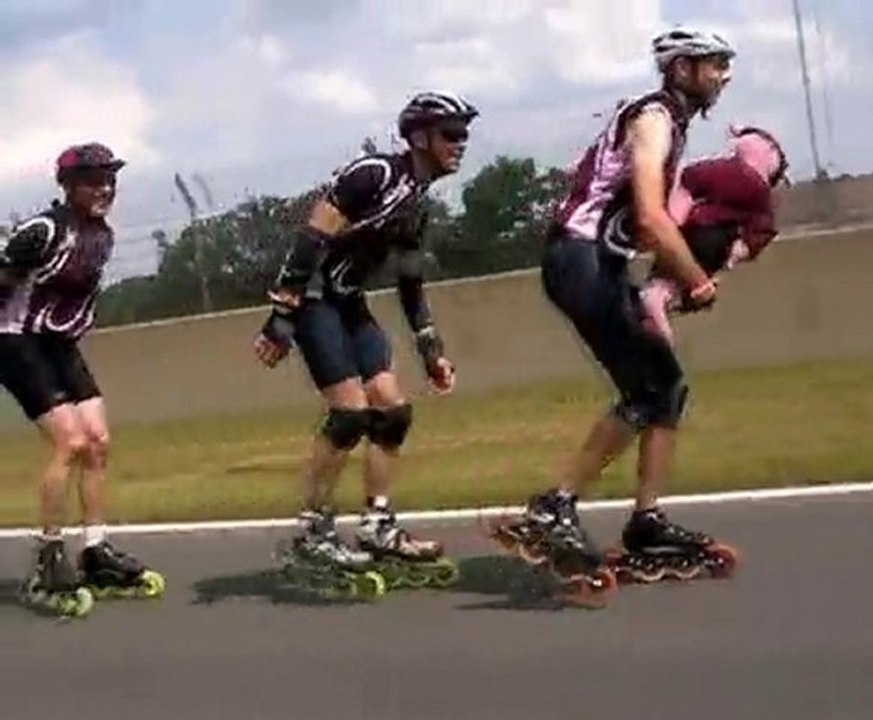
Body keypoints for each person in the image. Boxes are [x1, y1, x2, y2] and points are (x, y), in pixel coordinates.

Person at [493, 27, 738, 583]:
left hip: (597, 262)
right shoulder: (653, 119)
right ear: (680, 69)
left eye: (725, 64)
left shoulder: (669, 122)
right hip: (580, 260)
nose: (724, 74)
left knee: (667, 386)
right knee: (647, 387)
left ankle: (646, 520)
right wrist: (696, 281)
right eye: (714, 63)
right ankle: (553, 506)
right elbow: (651, 218)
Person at [253, 91, 477, 586]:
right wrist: (282, 316)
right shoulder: (374, 174)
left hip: (348, 303)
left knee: (392, 410)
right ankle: (313, 531)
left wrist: (432, 351)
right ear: (419, 137)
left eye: (464, 134)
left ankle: (377, 525)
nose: (461, 144)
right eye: (451, 134)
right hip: (313, 299)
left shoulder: (416, 206)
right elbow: (312, 237)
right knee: (351, 413)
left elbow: (411, 284)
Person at [1, 143, 161, 614]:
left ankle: (95, 550)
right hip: (14, 340)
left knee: (97, 441)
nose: (105, 187)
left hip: (58, 343)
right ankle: (49, 558)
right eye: (93, 179)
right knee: (68, 442)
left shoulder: (102, 235)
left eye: (109, 178)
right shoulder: (45, 229)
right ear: (68, 186)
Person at [639, 123, 790, 347]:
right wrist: (740, 250)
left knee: (666, 275)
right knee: (693, 279)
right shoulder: (760, 194)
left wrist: (675, 218)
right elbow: (762, 229)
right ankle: (680, 296)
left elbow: (689, 179)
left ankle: (660, 296)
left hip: (688, 232)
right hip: (718, 242)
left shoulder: (718, 170)